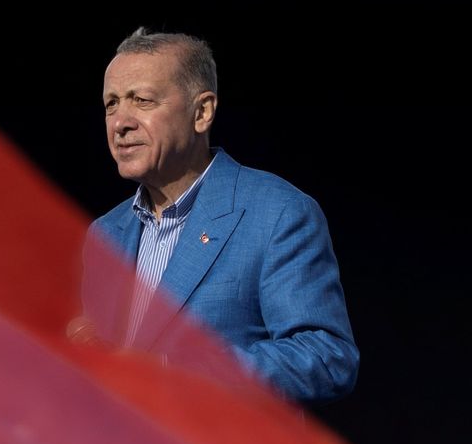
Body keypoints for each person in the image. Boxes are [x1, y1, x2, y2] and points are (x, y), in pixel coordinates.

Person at [79, 27, 358, 405]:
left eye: (141, 100)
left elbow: (327, 358)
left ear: (202, 112)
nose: (120, 123)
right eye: (111, 104)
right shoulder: (104, 234)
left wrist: (172, 373)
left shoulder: (277, 213)